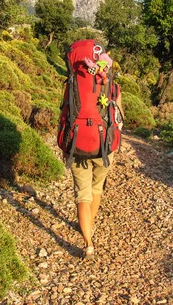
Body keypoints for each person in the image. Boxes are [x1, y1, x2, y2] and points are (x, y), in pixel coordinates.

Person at [67, 90, 123, 260]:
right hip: (104, 147)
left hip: (77, 144)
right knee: (96, 188)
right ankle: (88, 225)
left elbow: (65, 113)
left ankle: (88, 244)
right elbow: (119, 119)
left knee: (82, 193)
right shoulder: (112, 84)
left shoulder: (74, 81)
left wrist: (65, 146)